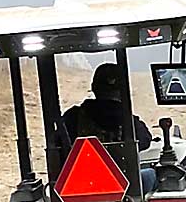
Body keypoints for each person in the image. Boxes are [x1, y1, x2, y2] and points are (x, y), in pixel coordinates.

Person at [63, 63, 158, 194]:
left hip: (79, 187)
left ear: (94, 88)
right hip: (124, 188)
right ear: (123, 91)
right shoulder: (129, 121)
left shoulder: (73, 117)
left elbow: (59, 144)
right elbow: (145, 140)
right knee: (152, 173)